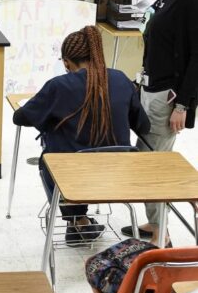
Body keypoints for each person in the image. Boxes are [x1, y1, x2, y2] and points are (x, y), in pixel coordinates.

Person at [13, 25, 150, 245]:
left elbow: (20, 118)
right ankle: (80, 222)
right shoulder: (121, 80)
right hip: (117, 177)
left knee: (54, 155)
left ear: (66, 62)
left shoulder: (59, 86)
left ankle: (77, 220)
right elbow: (144, 126)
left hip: (71, 180)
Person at [122, 0, 198, 244]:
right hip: (150, 88)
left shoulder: (189, 1)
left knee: (153, 166)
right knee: (147, 159)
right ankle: (155, 222)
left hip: (168, 96)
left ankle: (161, 233)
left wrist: (183, 103)